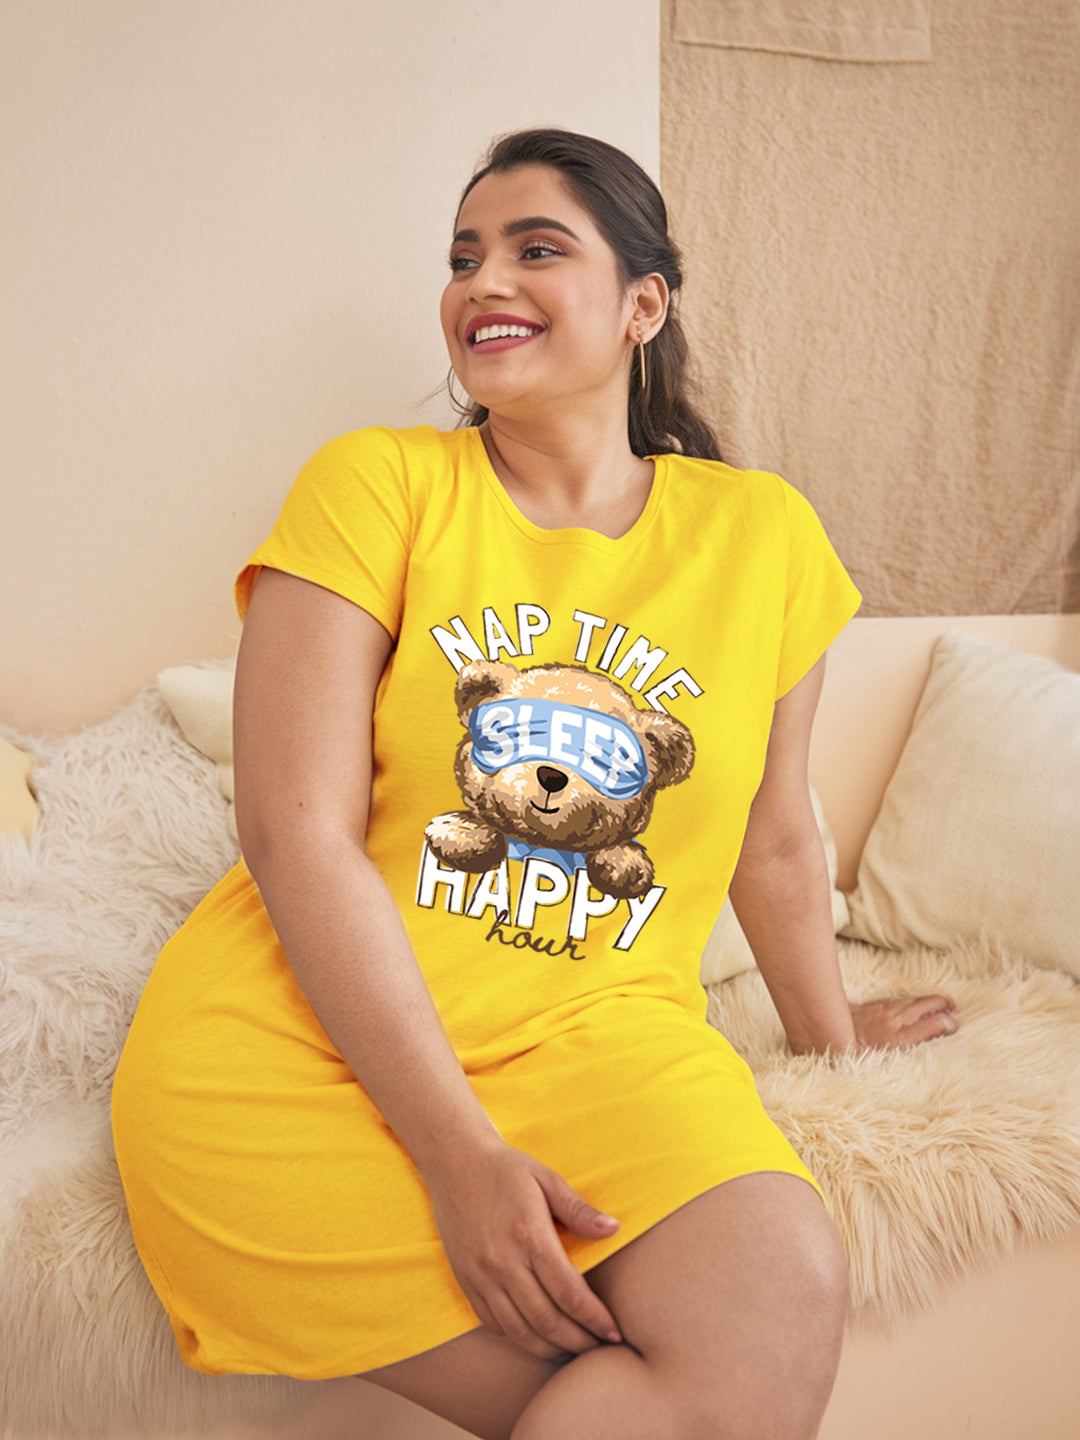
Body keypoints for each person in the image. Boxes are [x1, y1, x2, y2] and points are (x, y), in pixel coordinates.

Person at [111, 128, 958, 1440]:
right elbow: (293, 835)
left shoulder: (763, 536)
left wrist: (833, 1036)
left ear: (642, 306)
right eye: (464, 258)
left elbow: (774, 837)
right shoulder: (377, 485)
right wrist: (461, 1159)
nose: (482, 283)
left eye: (536, 249)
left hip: (604, 1040)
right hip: (309, 1049)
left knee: (780, 1290)